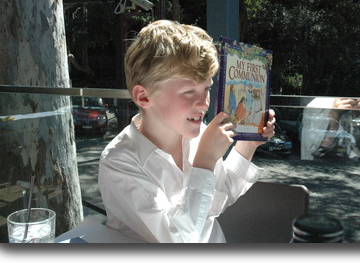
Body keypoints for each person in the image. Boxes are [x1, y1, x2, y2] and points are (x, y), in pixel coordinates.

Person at [98, 20, 275, 243]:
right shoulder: (119, 162)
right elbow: (178, 240)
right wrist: (204, 163)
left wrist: (248, 144)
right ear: (144, 97)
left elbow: (220, 195)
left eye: (207, 88)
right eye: (189, 91)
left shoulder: (200, 134)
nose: (204, 104)